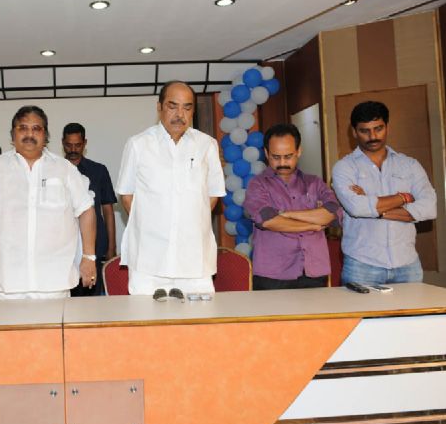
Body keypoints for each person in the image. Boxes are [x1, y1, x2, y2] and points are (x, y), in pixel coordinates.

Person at [0, 105, 97, 300]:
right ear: (13, 134)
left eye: (36, 128)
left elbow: (86, 211)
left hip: (55, 282)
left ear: (45, 135)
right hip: (7, 283)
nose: (29, 134)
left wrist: (89, 257)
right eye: (23, 128)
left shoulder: (65, 170)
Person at [116, 81, 225, 295]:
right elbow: (127, 194)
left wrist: (188, 221)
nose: (179, 114)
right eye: (172, 106)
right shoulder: (138, 144)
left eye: (187, 107)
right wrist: (152, 224)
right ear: (159, 107)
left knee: (200, 316)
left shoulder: (207, 145)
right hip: (149, 260)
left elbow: (212, 195)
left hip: (194, 260)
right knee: (144, 316)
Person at [332, 100, 436, 285]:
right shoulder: (344, 167)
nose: (373, 136)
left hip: (407, 264)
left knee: (413, 308)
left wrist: (372, 207)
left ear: (387, 127)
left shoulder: (410, 165)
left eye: (378, 128)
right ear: (354, 132)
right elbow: (357, 208)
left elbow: (429, 208)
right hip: (361, 265)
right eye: (364, 131)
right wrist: (404, 197)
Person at [243, 124, 341, 290]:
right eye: (276, 157)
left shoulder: (315, 183)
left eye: (288, 156)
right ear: (266, 153)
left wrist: (285, 214)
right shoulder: (257, 185)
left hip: (314, 270)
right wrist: (312, 224)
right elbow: (268, 221)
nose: (282, 163)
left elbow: (332, 213)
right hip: (273, 275)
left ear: (298, 151)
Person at [62, 123, 117, 296]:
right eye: (69, 145)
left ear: (85, 143)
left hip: (94, 248)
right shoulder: (56, 171)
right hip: (64, 249)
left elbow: (108, 210)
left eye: (77, 145)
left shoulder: (99, 171)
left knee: (92, 303)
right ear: (62, 143)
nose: (73, 149)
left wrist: (111, 247)